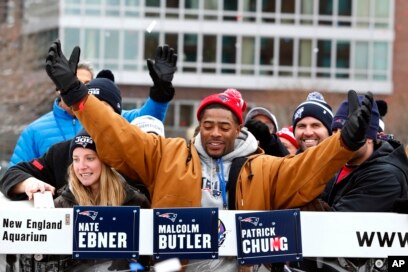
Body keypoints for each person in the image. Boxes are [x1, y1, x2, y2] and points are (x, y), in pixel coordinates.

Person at [45, 39, 374, 271]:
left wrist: (344, 142)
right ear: (199, 126)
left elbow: (308, 169)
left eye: (224, 126)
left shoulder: (265, 167)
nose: (215, 133)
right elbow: (119, 135)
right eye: (208, 125)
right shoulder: (166, 155)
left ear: (237, 128)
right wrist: (77, 94)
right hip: (178, 268)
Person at [293, 95, 408, 272]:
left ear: (369, 136)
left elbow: (337, 228)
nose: (341, 139)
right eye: (335, 132)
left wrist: (302, 201)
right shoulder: (340, 164)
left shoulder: (386, 176)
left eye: (349, 131)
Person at [8, 45, 174, 166]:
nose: (77, 89)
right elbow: (15, 175)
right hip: (57, 209)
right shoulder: (34, 131)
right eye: (73, 82)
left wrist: (160, 92)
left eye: (85, 85)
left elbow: (148, 121)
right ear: (59, 85)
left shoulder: (115, 118)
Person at [19, 130, 151, 271]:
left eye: (90, 158)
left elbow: (148, 260)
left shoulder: (135, 202)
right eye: (76, 159)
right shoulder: (60, 206)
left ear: (106, 161)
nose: (81, 166)